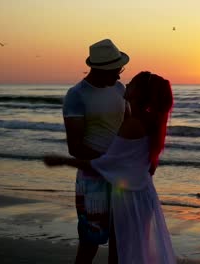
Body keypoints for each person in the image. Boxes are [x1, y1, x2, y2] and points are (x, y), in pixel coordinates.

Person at [45, 71, 176, 264]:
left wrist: (62, 161)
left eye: (132, 82)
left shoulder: (132, 125)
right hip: (142, 193)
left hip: (129, 198)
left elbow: (105, 164)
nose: (126, 83)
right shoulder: (149, 121)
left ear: (139, 93)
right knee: (133, 251)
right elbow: (144, 166)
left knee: (121, 254)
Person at [62, 38, 129, 263]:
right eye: (114, 71)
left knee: (120, 239)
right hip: (92, 178)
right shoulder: (77, 95)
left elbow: (128, 129)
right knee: (90, 240)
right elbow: (75, 146)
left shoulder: (120, 89)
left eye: (120, 70)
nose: (119, 76)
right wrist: (108, 161)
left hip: (121, 177)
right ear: (98, 70)